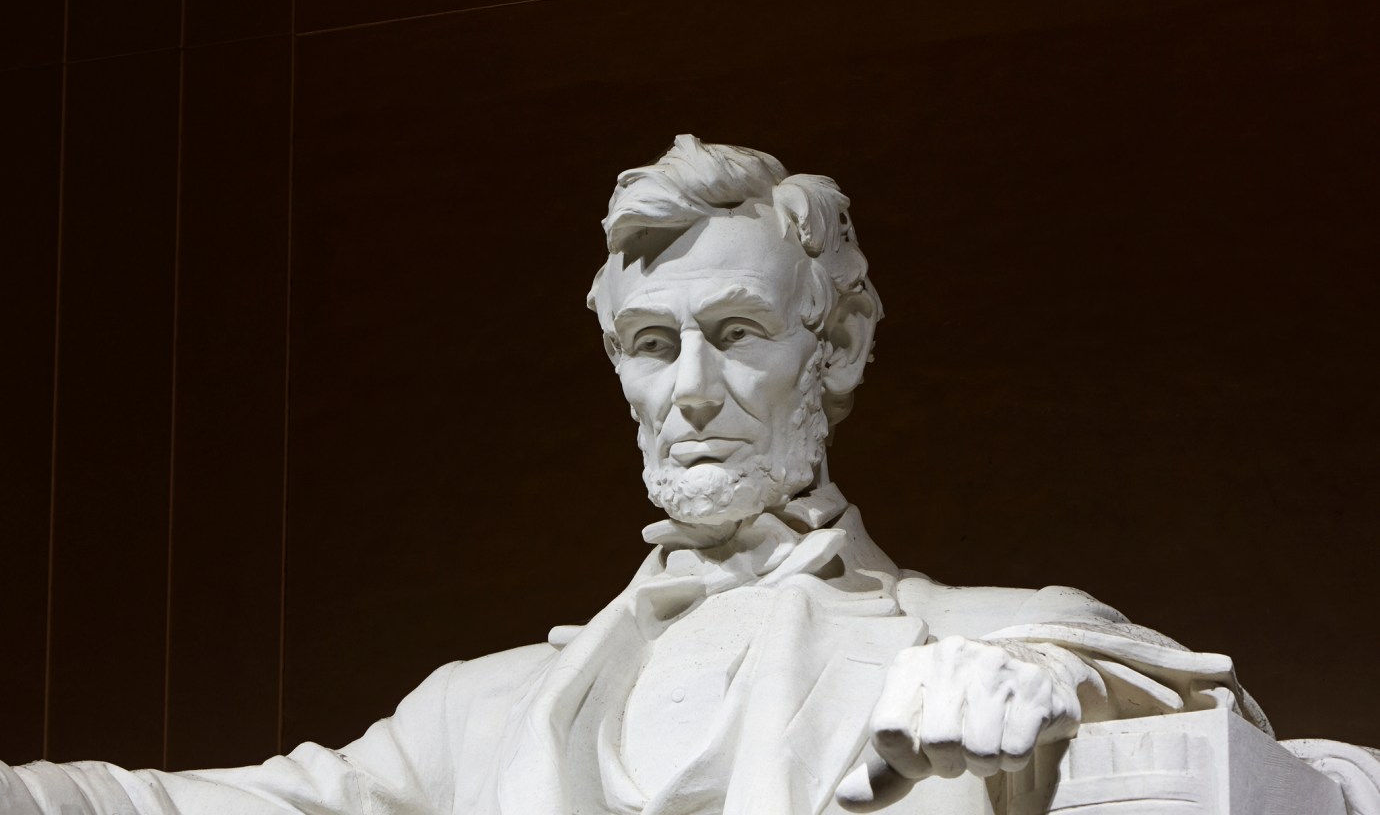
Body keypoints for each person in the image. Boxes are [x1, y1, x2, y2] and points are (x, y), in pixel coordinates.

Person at [2, 135, 1375, 815]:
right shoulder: (482, 713)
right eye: (653, 345)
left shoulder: (972, 634)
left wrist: (1064, 702)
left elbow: (1268, 744)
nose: (691, 389)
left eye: (736, 336)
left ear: (831, 355)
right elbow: (184, 810)